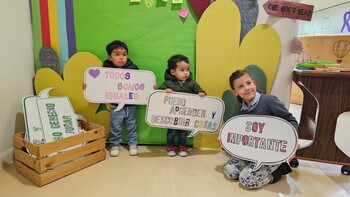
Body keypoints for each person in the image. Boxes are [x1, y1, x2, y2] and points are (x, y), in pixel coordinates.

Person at [223, 70, 298, 189]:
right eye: (241, 86)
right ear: (235, 92)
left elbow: (290, 120)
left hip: (272, 153)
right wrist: (224, 138)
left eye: (248, 83)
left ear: (254, 83)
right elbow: (239, 132)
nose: (247, 88)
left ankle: (277, 171)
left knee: (246, 179)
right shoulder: (241, 110)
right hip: (251, 151)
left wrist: (292, 143)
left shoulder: (269, 101)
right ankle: (251, 166)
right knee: (230, 171)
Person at [84, 40, 139, 157]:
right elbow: (99, 84)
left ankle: (133, 144)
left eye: (124, 54)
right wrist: (88, 86)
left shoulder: (133, 68)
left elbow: (140, 83)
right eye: (117, 54)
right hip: (115, 105)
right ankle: (115, 145)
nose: (121, 58)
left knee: (131, 125)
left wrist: (150, 86)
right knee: (115, 126)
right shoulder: (104, 71)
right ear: (109, 57)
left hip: (131, 104)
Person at [158, 54, 206, 157]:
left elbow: (200, 91)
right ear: (173, 72)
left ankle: (182, 147)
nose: (186, 72)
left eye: (187, 69)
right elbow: (159, 94)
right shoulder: (168, 83)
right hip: (172, 114)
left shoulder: (192, 83)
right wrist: (165, 91)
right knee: (171, 132)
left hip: (185, 114)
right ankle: (170, 147)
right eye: (182, 70)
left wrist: (201, 93)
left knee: (183, 132)